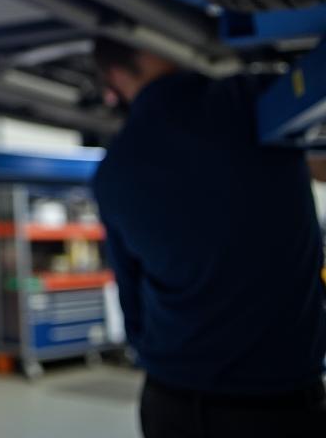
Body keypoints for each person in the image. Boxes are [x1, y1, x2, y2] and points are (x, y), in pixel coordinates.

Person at [92, 37, 326, 438]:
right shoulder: (249, 100)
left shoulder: (112, 170)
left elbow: (130, 292)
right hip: (274, 404)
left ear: (114, 77)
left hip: (170, 398)